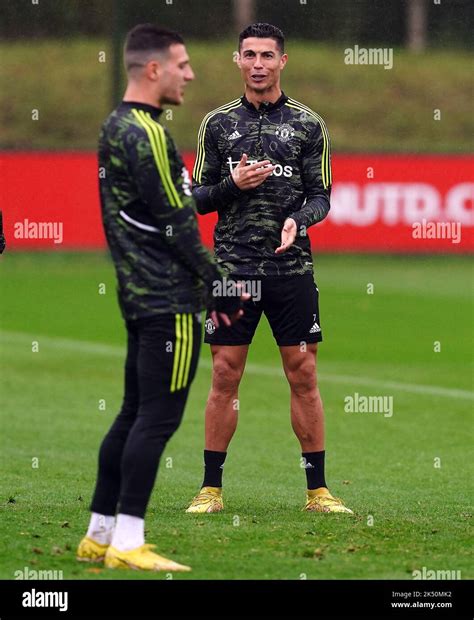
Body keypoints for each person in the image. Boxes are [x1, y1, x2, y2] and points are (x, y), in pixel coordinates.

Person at [76, 23, 244, 572]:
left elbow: (170, 204)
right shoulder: (147, 133)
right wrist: (218, 280)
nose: (191, 75)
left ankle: (99, 536)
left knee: (131, 413)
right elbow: (176, 220)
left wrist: (223, 189)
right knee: (158, 419)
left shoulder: (115, 125)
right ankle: (128, 541)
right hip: (169, 300)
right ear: (154, 70)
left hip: (136, 293)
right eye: (183, 65)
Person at [186, 23, 352, 515]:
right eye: (249, 54)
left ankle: (318, 492)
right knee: (224, 373)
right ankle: (210, 489)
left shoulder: (309, 125)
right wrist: (233, 185)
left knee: (303, 374)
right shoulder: (217, 125)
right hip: (234, 270)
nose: (258, 63)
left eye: (267, 55)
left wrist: (297, 221)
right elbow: (197, 198)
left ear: (283, 62)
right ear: (237, 61)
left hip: (291, 270)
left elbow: (322, 196)